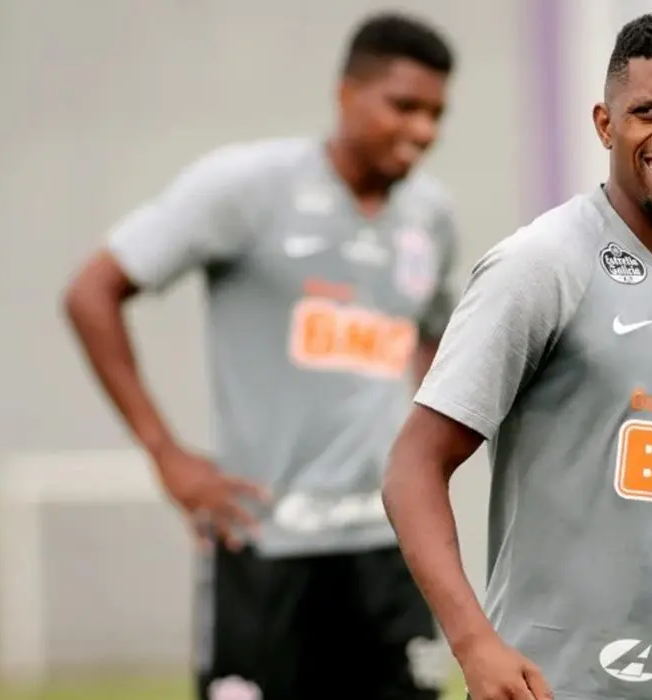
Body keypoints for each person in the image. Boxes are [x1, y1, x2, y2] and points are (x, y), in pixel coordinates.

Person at [62, 12, 460, 700]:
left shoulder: (430, 215)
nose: (422, 130)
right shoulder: (246, 187)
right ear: (346, 94)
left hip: (386, 542)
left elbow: (438, 339)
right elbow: (91, 293)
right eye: (403, 106)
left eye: (435, 114)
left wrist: (435, 454)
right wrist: (166, 453)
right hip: (264, 543)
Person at [381, 6, 652, 700]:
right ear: (605, 123)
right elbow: (413, 468)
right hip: (558, 686)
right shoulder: (543, 265)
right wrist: (474, 645)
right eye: (650, 110)